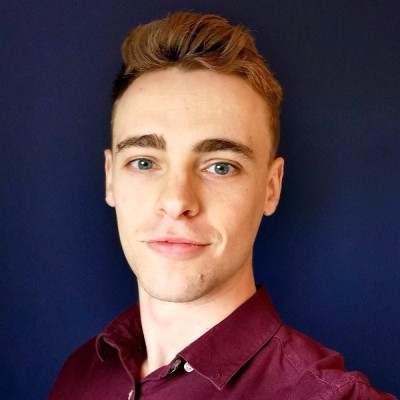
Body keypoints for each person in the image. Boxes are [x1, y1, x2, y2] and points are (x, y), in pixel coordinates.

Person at [49, 11, 396, 400]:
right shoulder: (80, 375)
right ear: (110, 178)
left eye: (220, 166)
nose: (177, 201)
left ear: (271, 188)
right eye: (144, 162)